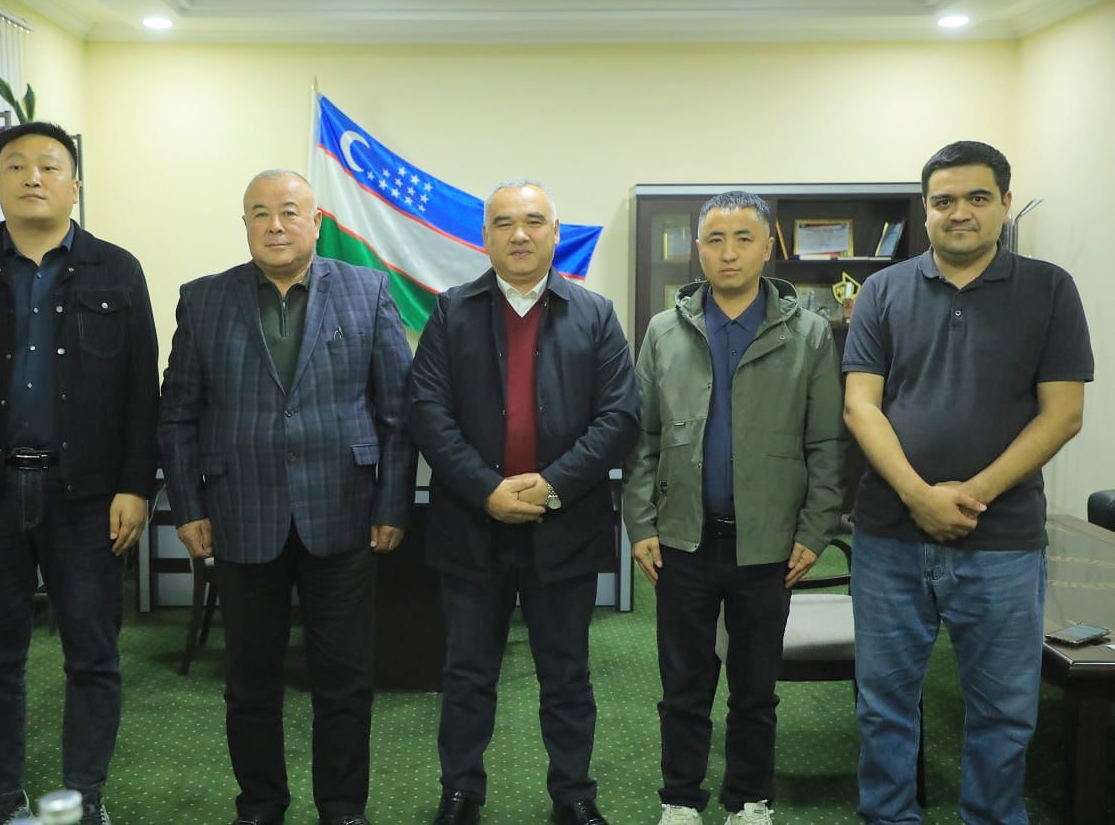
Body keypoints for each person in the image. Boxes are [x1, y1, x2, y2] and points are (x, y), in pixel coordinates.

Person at [0, 121, 159, 825]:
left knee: (93, 656)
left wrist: (136, 484)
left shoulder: (117, 270)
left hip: (88, 495)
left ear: (75, 184)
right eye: (15, 166)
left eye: (49, 165)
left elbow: (143, 390)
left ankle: (83, 798)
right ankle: (0, 799)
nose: (32, 177)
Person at [842, 141, 1092, 824]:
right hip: (889, 537)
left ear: (1004, 204)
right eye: (944, 200)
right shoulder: (883, 291)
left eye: (977, 198)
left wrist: (970, 493)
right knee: (884, 707)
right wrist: (919, 497)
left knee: (1004, 714)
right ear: (925, 210)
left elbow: (1063, 413)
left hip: (1003, 540)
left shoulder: (1049, 289)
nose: (960, 213)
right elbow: (861, 406)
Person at [157, 170, 413, 825]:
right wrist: (188, 506)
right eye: (260, 213)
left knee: (346, 681)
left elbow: (397, 411)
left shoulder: (366, 289)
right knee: (249, 682)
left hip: (345, 514)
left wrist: (392, 505)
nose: (275, 225)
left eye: (289, 211)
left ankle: (343, 809)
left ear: (315, 221)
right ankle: (260, 805)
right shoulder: (204, 299)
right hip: (241, 514)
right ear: (245, 223)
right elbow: (178, 414)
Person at [408, 180, 638, 825]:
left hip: (563, 526)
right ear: (485, 236)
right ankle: (461, 792)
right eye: (504, 223)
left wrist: (553, 485)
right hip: (470, 525)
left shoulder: (594, 314)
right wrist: (485, 488)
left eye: (533, 221)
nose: (519, 235)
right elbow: (426, 411)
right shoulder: (451, 312)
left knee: (567, 675)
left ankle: (574, 795)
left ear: (555, 233)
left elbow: (619, 416)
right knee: (467, 674)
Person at [622, 191, 843, 825]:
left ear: (768, 248)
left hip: (769, 544)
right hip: (683, 541)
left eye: (743, 238)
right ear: (698, 249)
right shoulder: (666, 330)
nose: (728, 253)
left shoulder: (808, 334)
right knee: (683, 686)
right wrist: (641, 524)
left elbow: (827, 445)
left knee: (754, 688)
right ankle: (680, 799)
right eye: (715, 239)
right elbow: (643, 438)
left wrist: (815, 530)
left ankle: (749, 798)